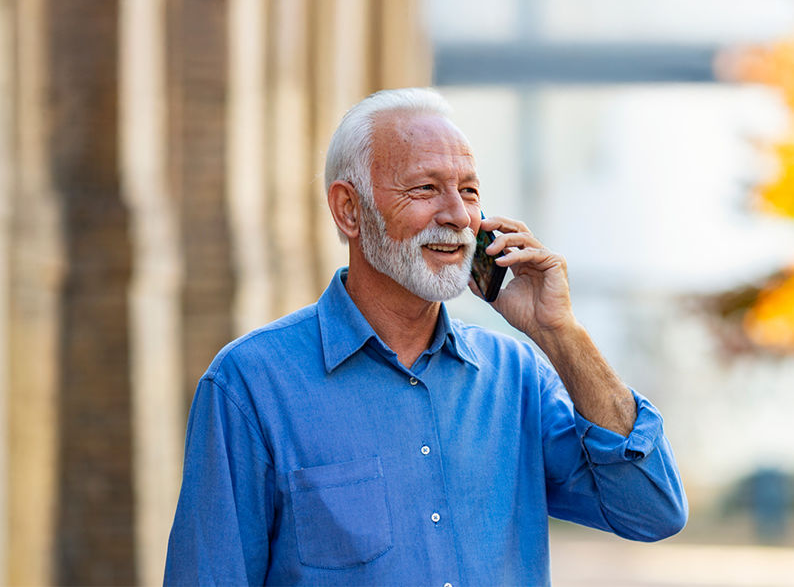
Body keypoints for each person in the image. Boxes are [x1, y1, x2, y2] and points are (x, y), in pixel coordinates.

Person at [164, 87, 687, 586]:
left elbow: (652, 509)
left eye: (469, 191)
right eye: (425, 188)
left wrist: (560, 332)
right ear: (350, 210)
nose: (458, 216)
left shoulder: (517, 377)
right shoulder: (252, 385)